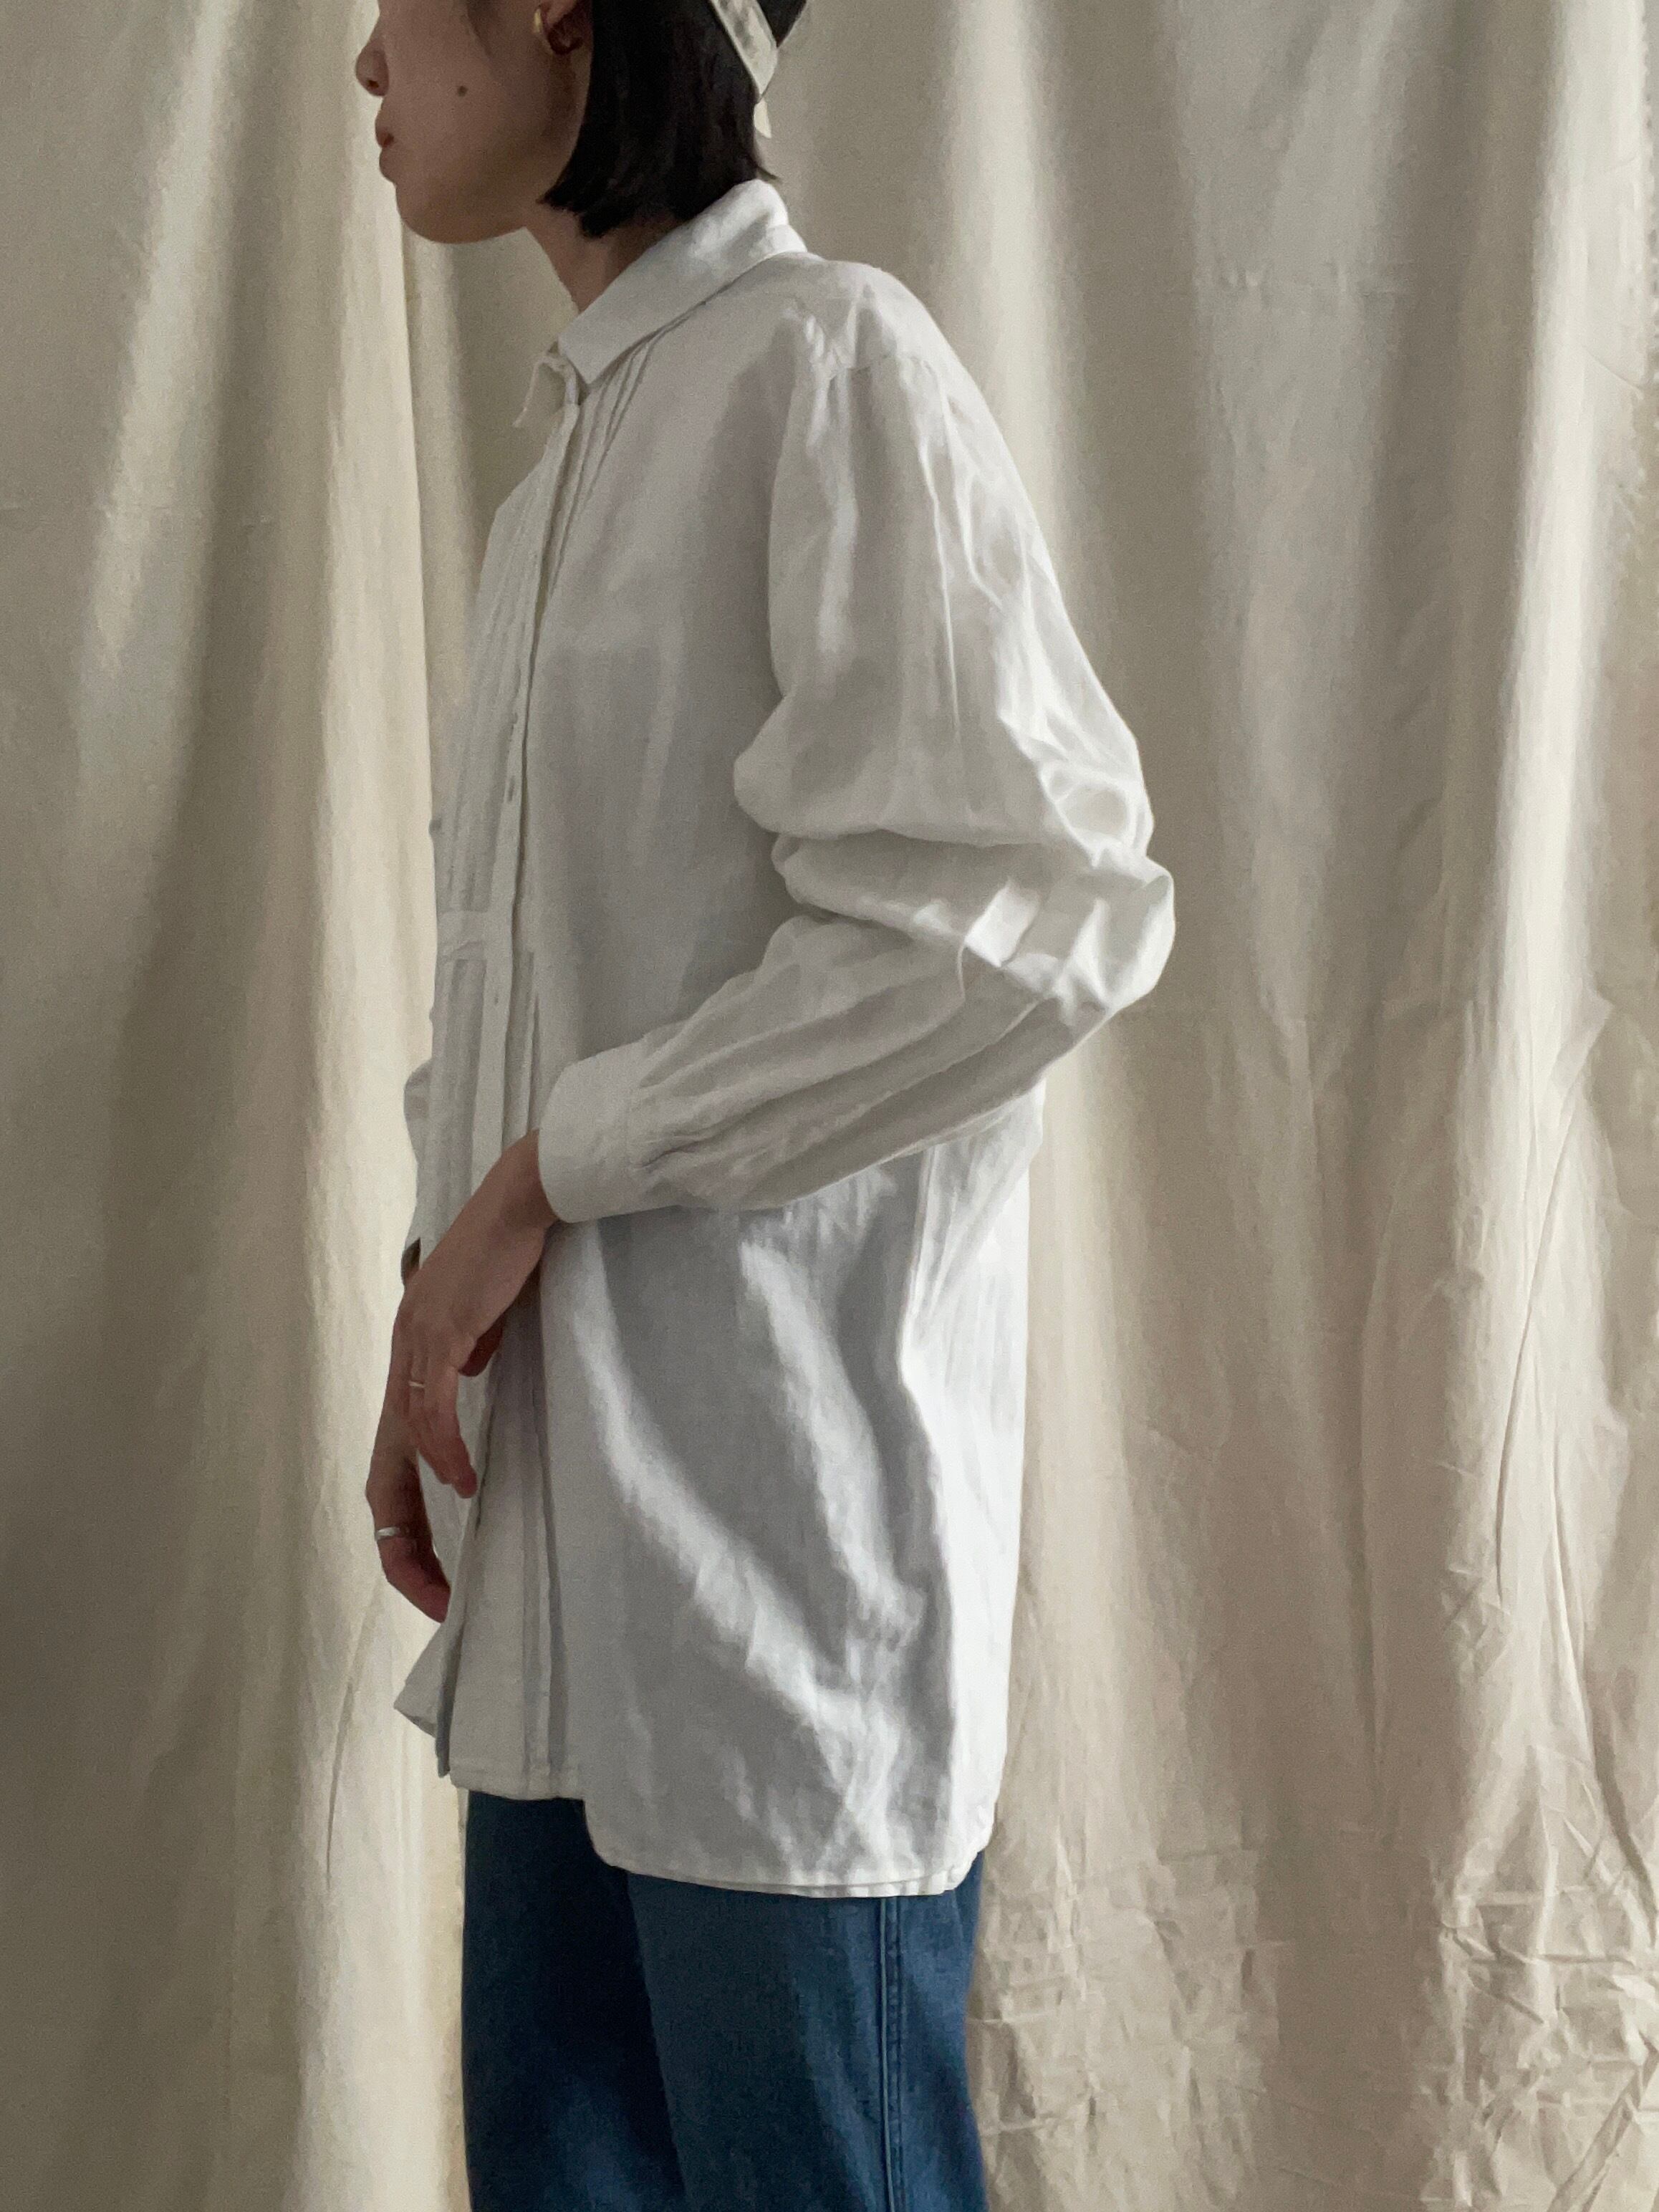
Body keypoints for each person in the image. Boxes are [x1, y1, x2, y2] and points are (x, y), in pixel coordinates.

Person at [354, 1, 1175, 2204]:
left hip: (774, 1572)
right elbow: (541, 977)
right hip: (558, 1573)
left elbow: (1027, 911)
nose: (363, 64)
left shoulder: (825, 363)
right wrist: (443, 1309)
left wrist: (545, 1174)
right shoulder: (574, 458)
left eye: (394, 5)